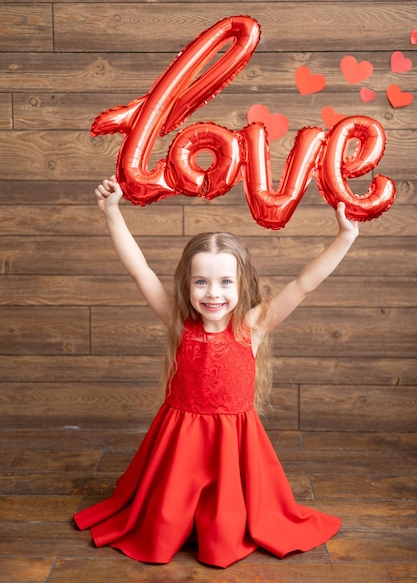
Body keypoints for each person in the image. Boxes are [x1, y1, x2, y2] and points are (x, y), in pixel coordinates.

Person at [74, 176, 359, 568]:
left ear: (242, 286)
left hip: (234, 446)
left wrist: (345, 236)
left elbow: (303, 284)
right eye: (202, 282)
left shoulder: (253, 325)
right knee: (165, 520)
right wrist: (112, 213)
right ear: (187, 286)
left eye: (225, 282)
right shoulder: (178, 320)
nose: (213, 293)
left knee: (225, 528)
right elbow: (139, 270)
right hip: (180, 442)